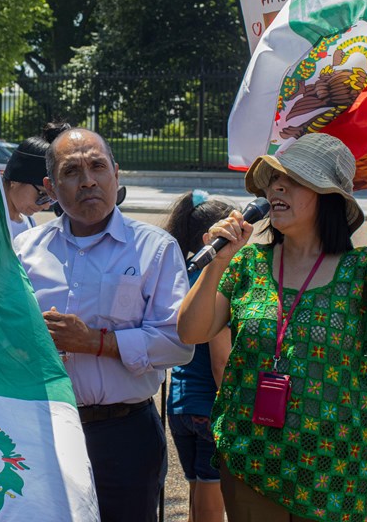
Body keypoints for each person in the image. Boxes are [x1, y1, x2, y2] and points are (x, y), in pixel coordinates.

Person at [177, 132, 367, 522]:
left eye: (296, 179)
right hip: (253, 462)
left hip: (338, 473)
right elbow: (190, 332)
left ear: (330, 198)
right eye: (273, 179)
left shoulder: (365, 271)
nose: (277, 186)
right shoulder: (247, 264)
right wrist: (219, 259)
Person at [13, 127, 194, 522]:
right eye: (72, 171)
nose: (88, 180)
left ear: (116, 173)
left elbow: (178, 343)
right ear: (50, 185)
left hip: (123, 436)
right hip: (44, 432)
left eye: (97, 166)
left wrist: (95, 341)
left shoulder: (155, 248)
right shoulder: (24, 252)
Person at [163, 190, 233, 522]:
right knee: (210, 508)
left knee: (196, 499)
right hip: (210, 405)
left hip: (180, 405)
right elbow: (221, 360)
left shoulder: (187, 277)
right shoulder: (219, 283)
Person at [2, 122, 69, 239]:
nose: (46, 206)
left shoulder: (29, 224)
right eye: (42, 195)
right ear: (16, 179)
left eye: (51, 199)